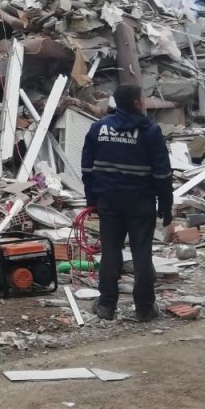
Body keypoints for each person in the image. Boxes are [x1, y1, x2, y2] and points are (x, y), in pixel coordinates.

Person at [81, 84, 172, 323]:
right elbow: (162, 173)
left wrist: (92, 199)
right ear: (135, 103)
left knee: (110, 252)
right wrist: (166, 203)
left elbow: (87, 169)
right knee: (142, 253)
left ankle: (106, 305)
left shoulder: (98, 129)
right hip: (140, 203)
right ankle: (144, 308)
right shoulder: (150, 132)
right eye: (141, 99)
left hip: (109, 201)